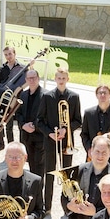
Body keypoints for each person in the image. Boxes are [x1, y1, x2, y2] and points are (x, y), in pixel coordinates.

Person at [36, 68, 82, 211]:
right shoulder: (47, 96)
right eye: (59, 78)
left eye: (63, 78)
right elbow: (39, 120)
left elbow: (78, 121)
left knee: (67, 175)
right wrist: (50, 133)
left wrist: (66, 129)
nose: (61, 81)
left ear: (67, 79)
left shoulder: (74, 97)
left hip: (66, 141)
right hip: (50, 141)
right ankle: (47, 206)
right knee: (49, 173)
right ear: (55, 79)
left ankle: (68, 206)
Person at [15, 69, 45, 182]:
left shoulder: (45, 95)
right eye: (29, 78)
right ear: (26, 80)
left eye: (34, 78)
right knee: (25, 165)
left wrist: (34, 126)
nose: (31, 80)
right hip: (26, 137)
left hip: (39, 138)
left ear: (38, 79)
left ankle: (37, 193)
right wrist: (23, 125)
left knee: (38, 169)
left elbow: (46, 117)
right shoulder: (23, 94)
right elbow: (18, 113)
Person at [0, 47, 25, 142]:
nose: (8, 56)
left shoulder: (22, 68)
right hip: (5, 98)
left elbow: (26, 82)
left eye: (10, 54)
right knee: (4, 123)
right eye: (6, 55)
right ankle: (3, 144)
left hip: (16, 97)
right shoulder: (2, 69)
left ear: (14, 54)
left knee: (15, 124)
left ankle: (14, 145)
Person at [81, 85, 110, 156]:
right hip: (93, 153)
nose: (102, 95)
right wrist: (89, 148)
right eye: (100, 93)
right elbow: (84, 134)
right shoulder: (88, 113)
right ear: (96, 95)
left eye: (105, 93)